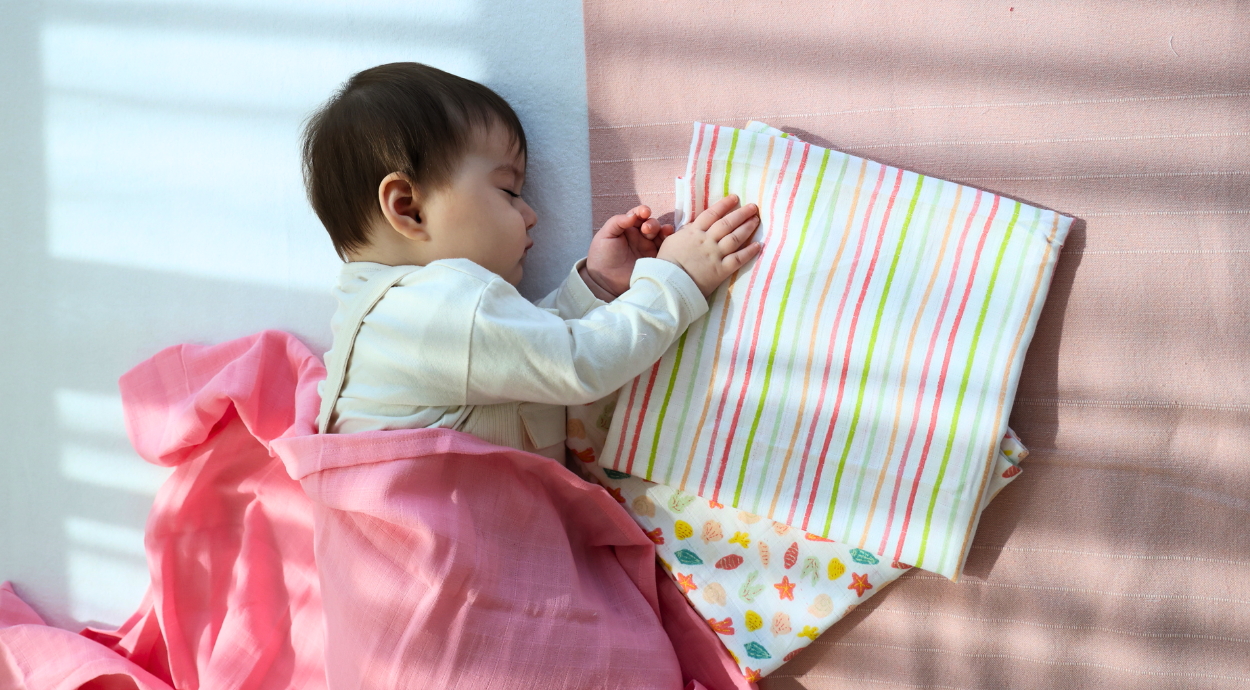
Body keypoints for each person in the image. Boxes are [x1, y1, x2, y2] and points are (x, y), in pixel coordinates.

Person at [303, 62, 761, 461]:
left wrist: (597, 284)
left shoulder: (390, 310)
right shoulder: (433, 310)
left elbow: (529, 352)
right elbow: (576, 364)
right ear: (409, 208)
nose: (531, 214)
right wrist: (676, 279)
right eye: (508, 191)